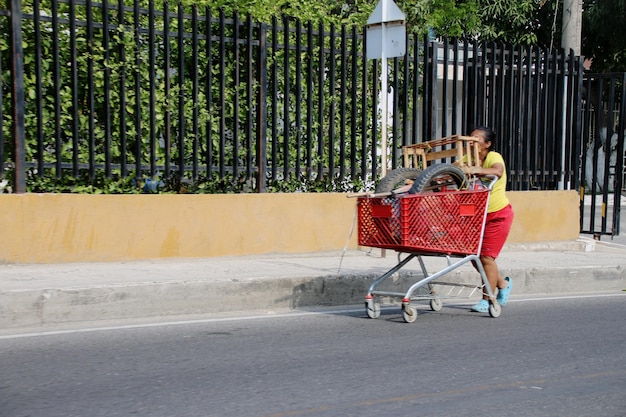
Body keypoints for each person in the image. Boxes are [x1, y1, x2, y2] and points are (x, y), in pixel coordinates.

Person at [463, 127, 514, 312]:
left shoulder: (494, 156)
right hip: (477, 217)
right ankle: (502, 283)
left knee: (486, 257)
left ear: (487, 144)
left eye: (476, 139)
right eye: (470, 138)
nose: (471, 142)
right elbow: (449, 172)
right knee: (473, 257)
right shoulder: (467, 159)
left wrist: (476, 170)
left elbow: (497, 172)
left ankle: (487, 300)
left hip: (498, 215)